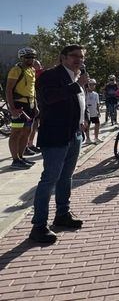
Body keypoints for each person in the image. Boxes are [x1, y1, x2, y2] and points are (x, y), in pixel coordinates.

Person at [29, 44, 88, 244]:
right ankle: (38, 226)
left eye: (81, 57)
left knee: (66, 178)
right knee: (49, 180)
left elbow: (78, 100)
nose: (78, 60)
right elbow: (49, 98)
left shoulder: (77, 77)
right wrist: (77, 85)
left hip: (74, 134)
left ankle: (62, 214)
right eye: (74, 56)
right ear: (62, 57)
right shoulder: (50, 76)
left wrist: (84, 118)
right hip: (55, 136)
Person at [6, 47, 39, 170]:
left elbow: (32, 89)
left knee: (27, 131)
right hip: (19, 105)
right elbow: (9, 89)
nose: (30, 59)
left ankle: (21, 157)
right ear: (22, 58)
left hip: (29, 105)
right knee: (16, 133)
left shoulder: (32, 70)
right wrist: (12, 108)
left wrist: (35, 105)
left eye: (32, 57)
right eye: (28, 57)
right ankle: (15, 160)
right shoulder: (16, 70)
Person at [85, 79, 101, 144]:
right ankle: (88, 138)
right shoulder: (85, 93)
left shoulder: (96, 94)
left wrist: (98, 111)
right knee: (87, 126)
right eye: (91, 84)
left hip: (94, 112)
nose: (92, 86)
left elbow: (97, 104)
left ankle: (96, 138)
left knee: (97, 124)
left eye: (94, 84)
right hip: (87, 112)